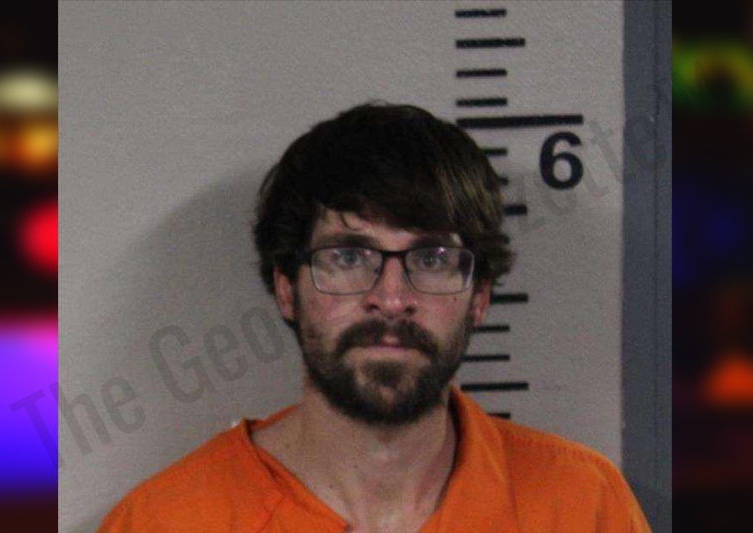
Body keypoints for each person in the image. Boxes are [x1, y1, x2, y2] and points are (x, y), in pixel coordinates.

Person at [98, 102, 651, 532]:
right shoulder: (161, 523)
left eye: (431, 259)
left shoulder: (584, 506)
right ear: (286, 287)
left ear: (480, 294)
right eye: (347, 257)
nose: (391, 298)